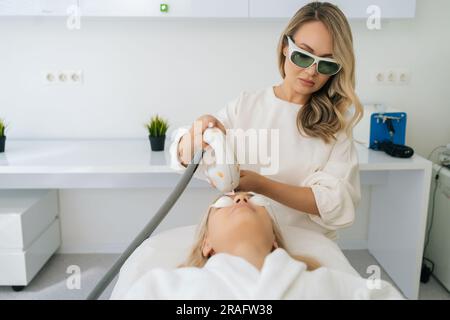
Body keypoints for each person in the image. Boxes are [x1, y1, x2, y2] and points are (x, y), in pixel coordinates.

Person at [170, 2, 363, 240]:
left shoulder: (335, 126)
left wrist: (262, 185)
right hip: (245, 239)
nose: (312, 71)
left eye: (325, 63)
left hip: (305, 243)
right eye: (303, 56)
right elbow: (186, 159)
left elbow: (335, 202)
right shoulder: (246, 106)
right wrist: (193, 135)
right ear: (285, 47)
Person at [118, 192, 402, 299]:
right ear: (207, 244)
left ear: (275, 239)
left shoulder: (331, 285)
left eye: (256, 200)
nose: (241, 199)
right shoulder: (163, 287)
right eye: (225, 201)